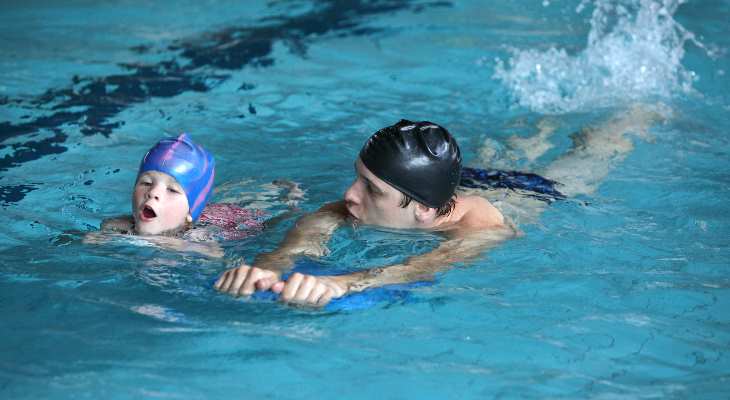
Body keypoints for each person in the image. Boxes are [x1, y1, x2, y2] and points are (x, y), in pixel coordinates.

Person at [215, 107, 660, 306]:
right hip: (463, 178)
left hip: (532, 191)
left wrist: (340, 286)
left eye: (371, 189)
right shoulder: (385, 200)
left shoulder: (480, 227)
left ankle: (640, 111)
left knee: (594, 151)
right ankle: (538, 124)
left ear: (424, 211)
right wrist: (270, 267)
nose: (350, 195)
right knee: (524, 139)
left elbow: (419, 269)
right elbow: (309, 233)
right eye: (357, 177)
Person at [84, 133, 271, 258]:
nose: (153, 193)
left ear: (190, 211)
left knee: (264, 202)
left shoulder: (199, 237)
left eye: (172, 190)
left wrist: (169, 244)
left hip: (237, 218)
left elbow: (215, 255)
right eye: (146, 183)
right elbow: (95, 238)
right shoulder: (117, 226)